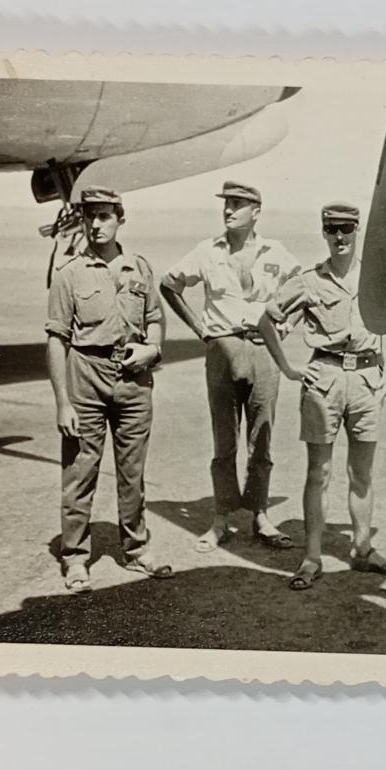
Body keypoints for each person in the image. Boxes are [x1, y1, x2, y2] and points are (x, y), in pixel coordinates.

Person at [257, 202, 386, 590]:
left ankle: (362, 549)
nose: (340, 237)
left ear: (358, 230)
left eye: (347, 229)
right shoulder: (309, 279)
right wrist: (287, 367)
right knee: (320, 472)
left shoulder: (378, 278)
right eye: (332, 230)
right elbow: (267, 320)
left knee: (361, 474)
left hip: (367, 381)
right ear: (324, 233)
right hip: (323, 380)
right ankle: (312, 558)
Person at [160, 180, 302, 552]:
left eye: (238, 204)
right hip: (221, 350)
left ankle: (260, 516)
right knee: (224, 440)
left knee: (262, 437)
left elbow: (304, 288)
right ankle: (221, 518)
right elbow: (169, 284)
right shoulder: (207, 251)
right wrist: (200, 330)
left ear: (256, 211)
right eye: (226, 204)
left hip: (262, 351)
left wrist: (285, 327)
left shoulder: (277, 252)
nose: (228, 210)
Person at [45, 186, 173, 593]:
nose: (95, 224)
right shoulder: (69, 274)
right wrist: (63, 402)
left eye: (104, 216)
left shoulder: (139, 268)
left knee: (132, 472)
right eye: (89, 216)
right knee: (80, 471)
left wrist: (151, 350)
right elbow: (56, 339)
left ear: (121, 218)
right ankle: (76, 558)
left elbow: (155, 318)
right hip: (86, 375)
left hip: (134, 380)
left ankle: (136, 549)